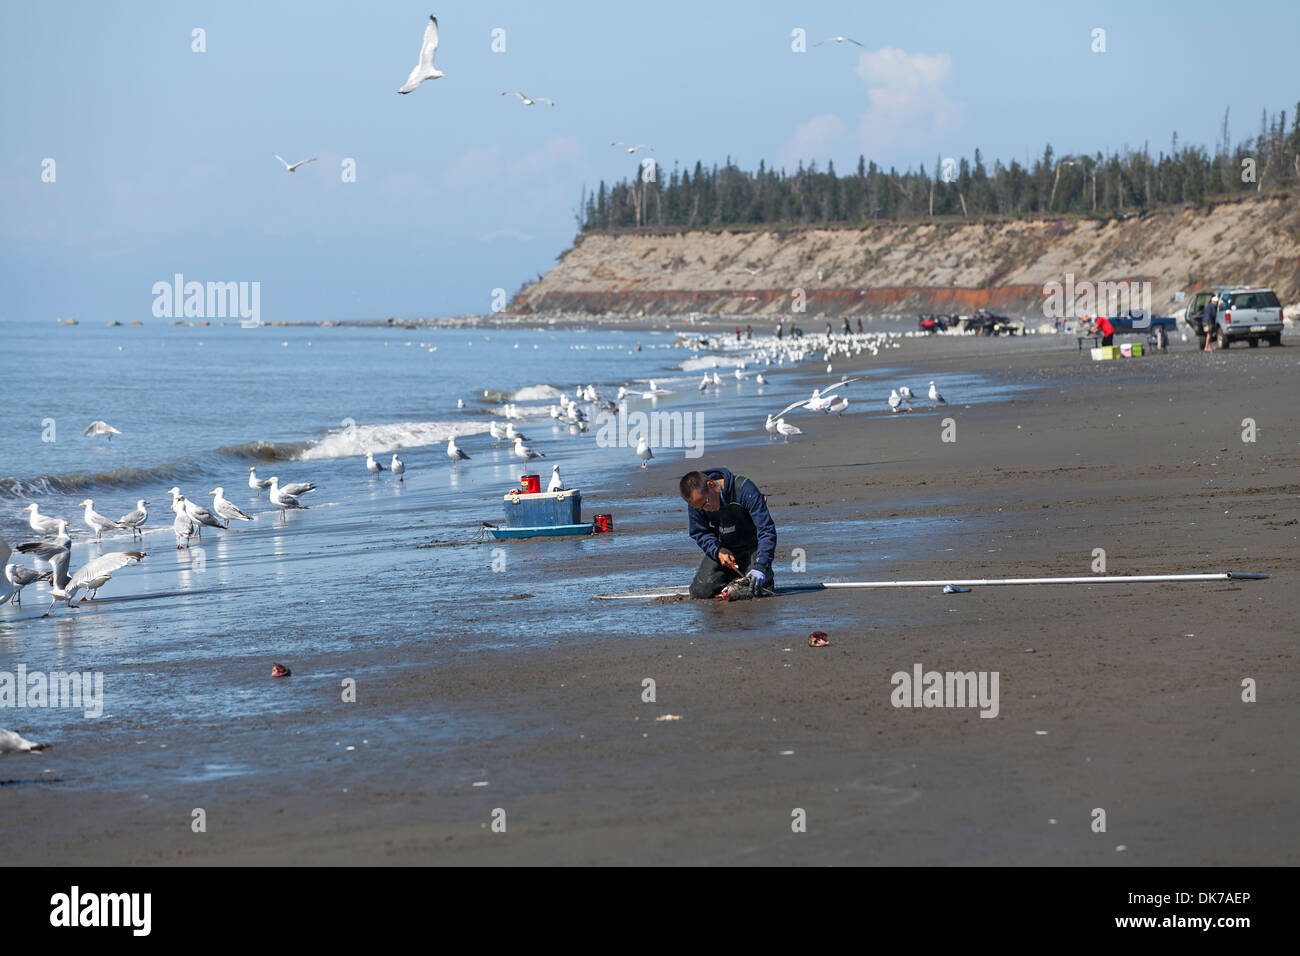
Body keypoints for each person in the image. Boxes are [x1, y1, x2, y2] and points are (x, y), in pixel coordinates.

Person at [680, 469, 777, 599]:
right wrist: (718, 550)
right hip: (726, 550)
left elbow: (766, 530)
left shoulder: (744, 489)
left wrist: (761, 566)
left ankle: (750, 573)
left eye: (706, 503)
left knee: (761, 587)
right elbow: (700, 532)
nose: (705, 509)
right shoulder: (697, 502)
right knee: (700, 592)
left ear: (711, 485)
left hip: (753, 548)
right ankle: (732, 578)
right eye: (700, 508)